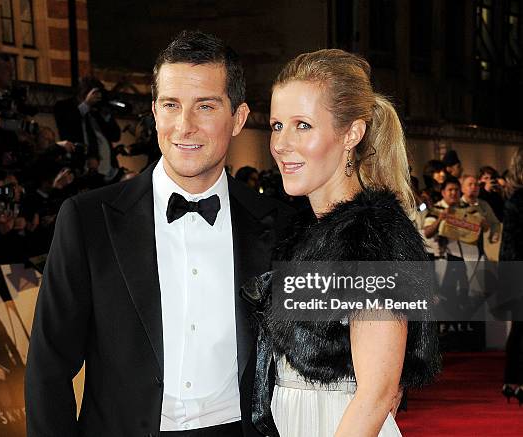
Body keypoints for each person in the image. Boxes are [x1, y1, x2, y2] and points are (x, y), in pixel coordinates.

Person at [25, 30, 292, 437]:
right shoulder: (87, 220)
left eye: (205, 106)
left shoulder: (281, 224)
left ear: (238, 118)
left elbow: (387, 306)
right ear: (154, 112)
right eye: (171, 105)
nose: (184, 126)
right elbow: (49, 366)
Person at [243, 49, 440, 437]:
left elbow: (377, 395)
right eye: (278, 125)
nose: (281, 143)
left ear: (352, 133)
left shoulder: (372, 236)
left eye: (303, 126)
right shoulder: (306, 232)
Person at [54, 76, 122, 182]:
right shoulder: (64, 106)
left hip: (108, 170)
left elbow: (115, 136)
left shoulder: (97, 112)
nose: (97, 97)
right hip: (82, 170)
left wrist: (107, 115)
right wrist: (86, 104)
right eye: (95, 93)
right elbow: (68, 126)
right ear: (84, 92)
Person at [499, 148, 523, 405]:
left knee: (519, 328)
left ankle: (511, 380)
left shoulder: (513, 199)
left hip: (513, 270)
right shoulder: (518, 200)